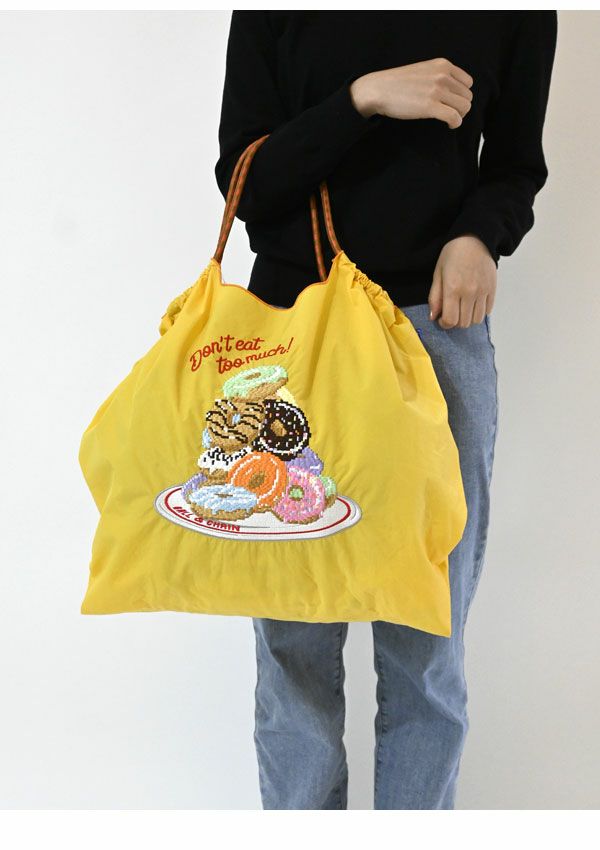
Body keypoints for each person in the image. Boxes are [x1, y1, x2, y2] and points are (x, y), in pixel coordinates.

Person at [214, 11, 557, 810]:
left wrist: (479, 237)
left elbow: (516, 166)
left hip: (434, 332)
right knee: (293, 643)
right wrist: (361, 98)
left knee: (427, 648)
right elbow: (247, 184)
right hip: (292, 343)